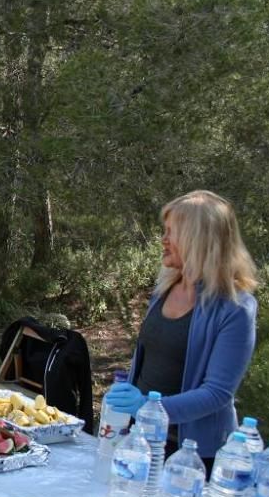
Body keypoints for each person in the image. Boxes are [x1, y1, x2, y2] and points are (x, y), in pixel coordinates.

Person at [106, 190, 258, 471]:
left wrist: (149, 407)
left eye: (170, 232)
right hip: (141, 440)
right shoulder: (164, 289)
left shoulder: (236, 309)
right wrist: (127, 392)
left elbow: (217, 393)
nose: (163, 240)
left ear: (197, 239)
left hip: (192, 456)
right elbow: (154, 358)